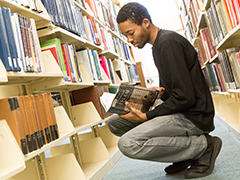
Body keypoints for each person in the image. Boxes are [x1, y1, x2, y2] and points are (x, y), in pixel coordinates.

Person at [107, 2, 222, 179]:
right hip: (181, 111)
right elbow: (178, 88)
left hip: (193, 116)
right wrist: (158, 94)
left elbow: (185, 97)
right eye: (126, 36)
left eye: (131, 33)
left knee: (128, 144)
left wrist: (147, 116)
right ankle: (184, 154)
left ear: (145, 22)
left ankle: (204, 146)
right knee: (115, 123)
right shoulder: (158, 46)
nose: (129, 40)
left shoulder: (168, 43)